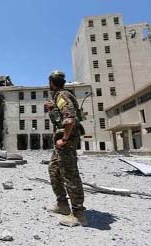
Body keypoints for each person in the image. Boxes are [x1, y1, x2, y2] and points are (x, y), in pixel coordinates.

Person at [44, 70, 87, 227]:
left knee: (70, 174)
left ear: (52, 83)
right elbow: (60, 118)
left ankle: (78, 214)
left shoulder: (62, 96)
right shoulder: (60, 97)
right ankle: (62, 204)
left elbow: (69, 119)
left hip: (65, 141)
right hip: (62, 142)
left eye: (49, 83)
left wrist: (64, 139)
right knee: (54, 169)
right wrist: (51, 109)